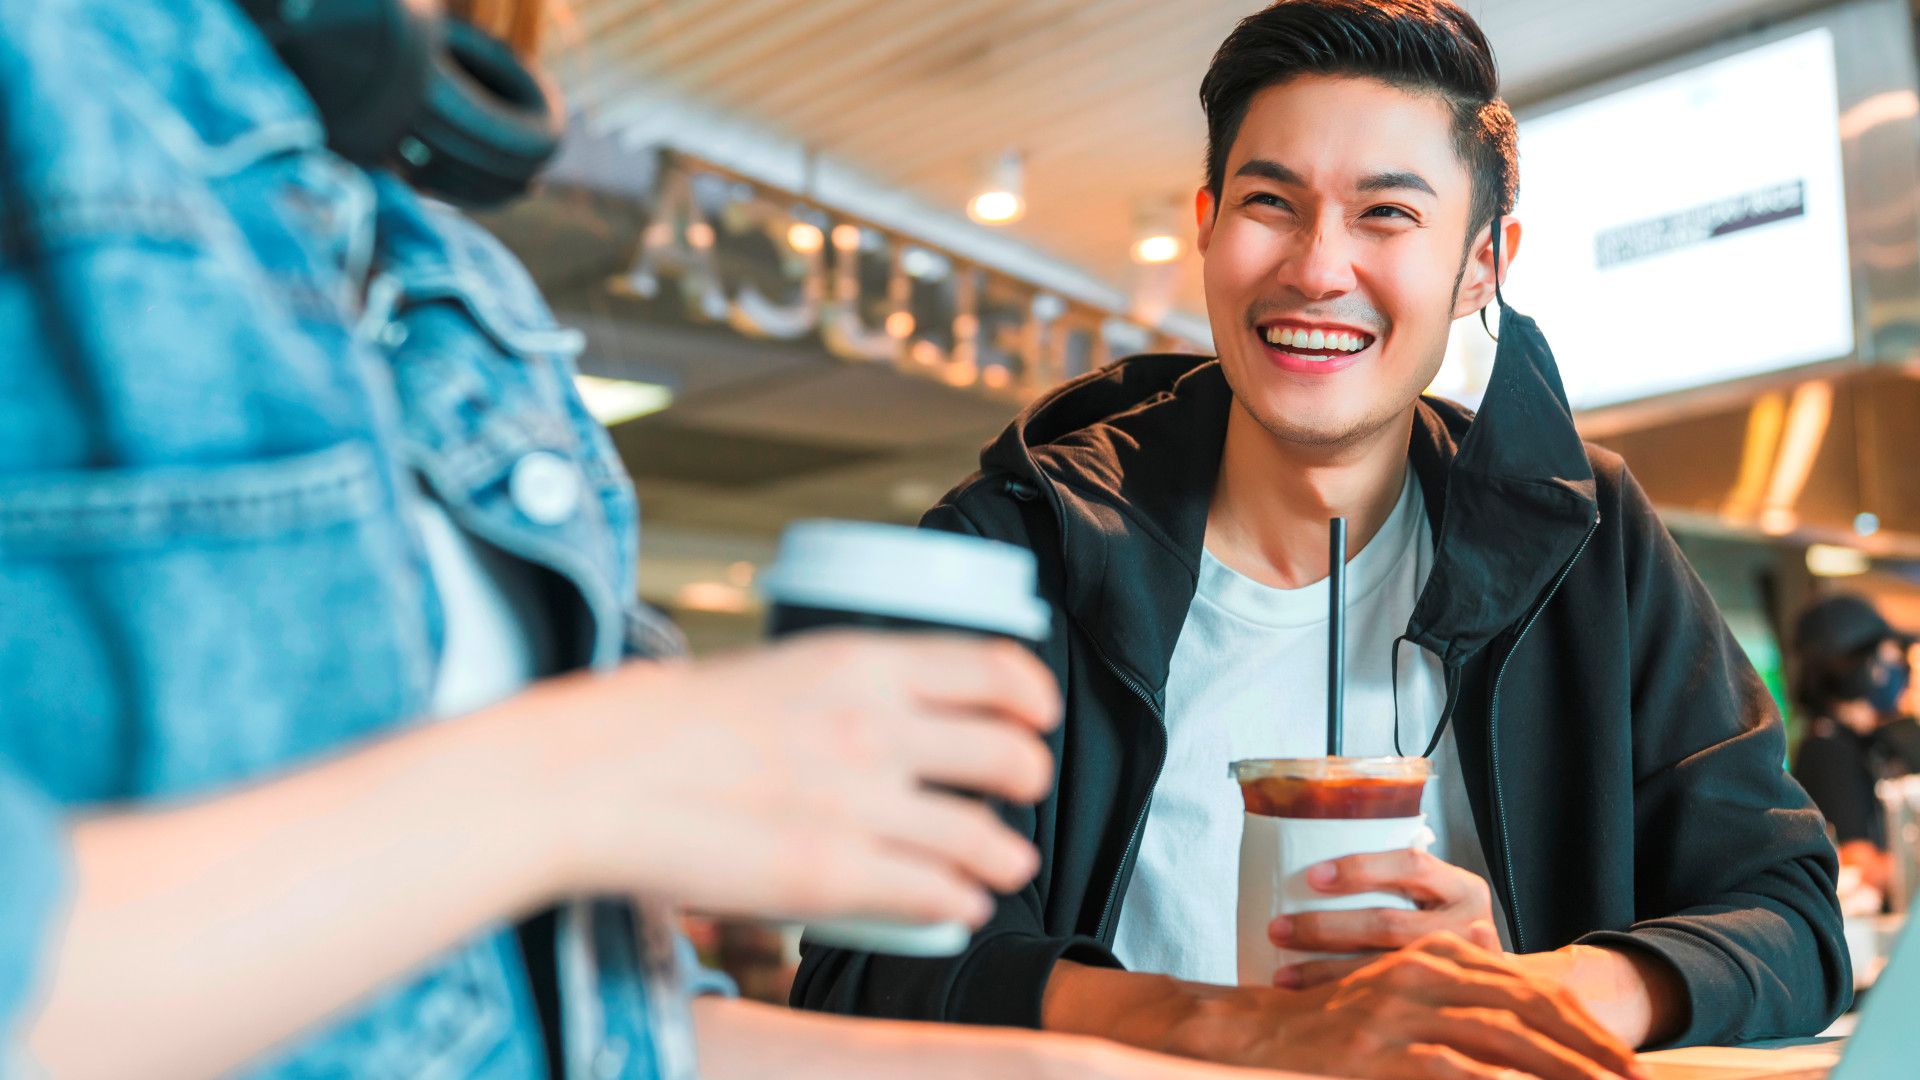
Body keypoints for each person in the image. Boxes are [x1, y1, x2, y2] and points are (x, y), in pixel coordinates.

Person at [0, 2, 1299, 1078]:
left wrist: (1144, 1062)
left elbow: (613, 1034)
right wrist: (589, 777)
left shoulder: (454, 277)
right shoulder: (46, 111)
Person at [792, 1, 1850, 1075]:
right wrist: (1237, 1028)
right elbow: (866, 963)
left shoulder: (1587, 538)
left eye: (1387, 214)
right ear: (1208, 224)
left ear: (1482, 264)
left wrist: (1536, 988)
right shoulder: (1020, 547)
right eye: (1270, 202)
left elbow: (1790, 914)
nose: (1316, 267)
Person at [1790, 593, 1919, 895]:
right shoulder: (1827, 750)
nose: (1899, 669)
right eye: (1888, 657)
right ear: (1861, 668)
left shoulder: (1867, 743)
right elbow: (1858, 863)